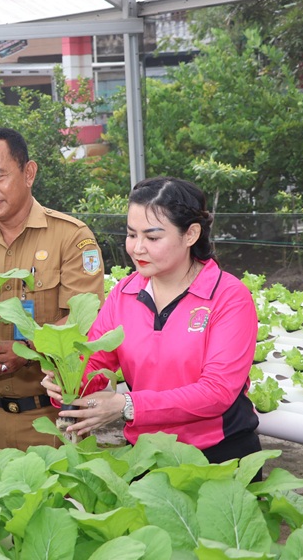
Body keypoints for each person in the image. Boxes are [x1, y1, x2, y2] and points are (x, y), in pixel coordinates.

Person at [44, 177, 261, 467]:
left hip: (217, 455)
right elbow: (94, 362)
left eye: (153, 237)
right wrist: (68, 382)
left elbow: (217, 392)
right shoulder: (125, 293)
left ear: (190, 234)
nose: (137, 248)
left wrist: (128, 405)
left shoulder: (228, 297)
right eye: (132, 234)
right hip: (145, 455)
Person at [0, 127, 105, 456]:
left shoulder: (71, 238)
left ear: (28, 172)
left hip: (52, 419)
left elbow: (84, 321)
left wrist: (26, 348)